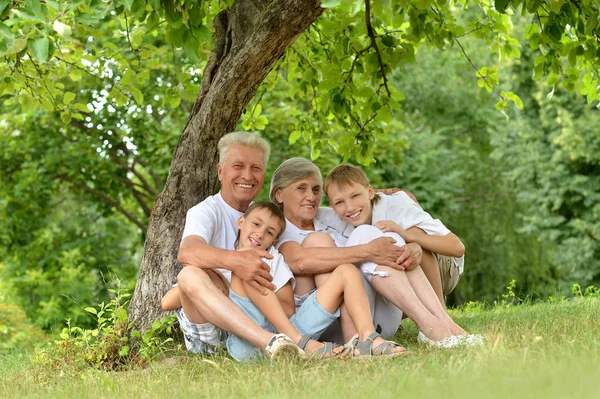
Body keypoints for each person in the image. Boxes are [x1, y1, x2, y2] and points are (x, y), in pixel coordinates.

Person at [270, 158, 471, 348]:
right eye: (301, 188)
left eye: (315, 190)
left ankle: (447, 325)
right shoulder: (277, 230)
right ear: (279, 195)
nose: (311, 197)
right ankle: (432, 328)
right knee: (360, 236)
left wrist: (389, 195)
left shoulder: (326, 216)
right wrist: (369, 251)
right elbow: (300, 262)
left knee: (383, 233)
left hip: (378, 314)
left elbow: (350, 198)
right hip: (337, 323)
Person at [168, 132, 302, 359]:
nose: (247, 175)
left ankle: (273, 341)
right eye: (238, 166)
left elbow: (319, 220)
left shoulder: (267, 218)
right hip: (209, 328)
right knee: (189, 275)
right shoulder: (206, 211)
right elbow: (188, 252)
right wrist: (238, 262)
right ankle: (270, 343)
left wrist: (378, 197)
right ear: (221, 172)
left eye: (256, 168)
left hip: (253, 318)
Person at [324, 163, 483, 346]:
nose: (350, 207)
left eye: (355, 196)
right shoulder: (330, 218)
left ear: (369, 192)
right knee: (376, 237)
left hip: (443, 268)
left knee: (404, 236)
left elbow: (456, 247)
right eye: (339, 202)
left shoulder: (396, 205)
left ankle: (441, 319)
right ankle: (435, 325)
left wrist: (408, 236)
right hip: (388, 292)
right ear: (332, 206)